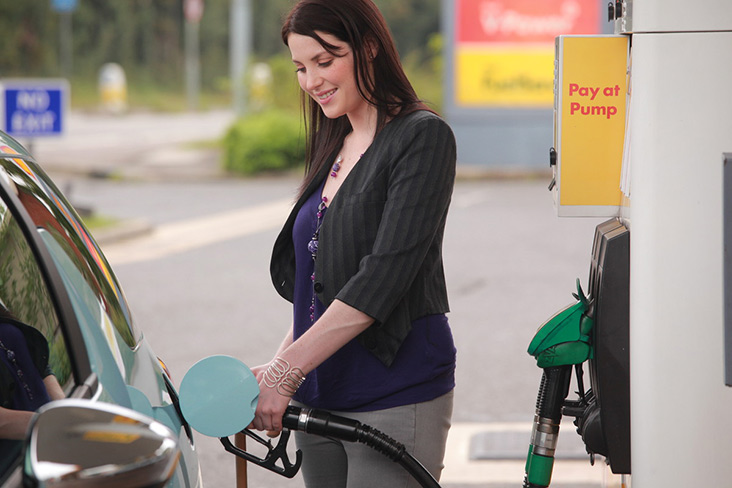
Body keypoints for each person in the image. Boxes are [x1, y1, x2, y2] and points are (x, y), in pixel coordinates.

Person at [251, 0, 457, 486]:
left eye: (325, 61)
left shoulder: (421, 138)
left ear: (368, 48)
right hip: (318, 389)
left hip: (395, 389)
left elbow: (380, 279)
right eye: (301, 67)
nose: (311, 80)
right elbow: (320, 285)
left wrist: (285, 372)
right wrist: (283, 365)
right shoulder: (333, 142)